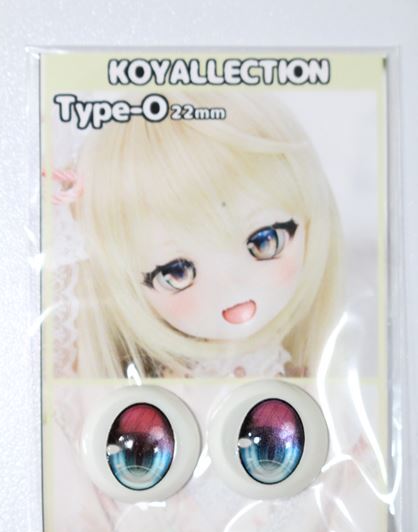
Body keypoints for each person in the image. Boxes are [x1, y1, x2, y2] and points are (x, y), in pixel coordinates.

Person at [63, 89, 342, 379]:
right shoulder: (169, 385)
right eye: (177, 272)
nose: (232, 288)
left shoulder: (311, 370)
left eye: (264, 242)